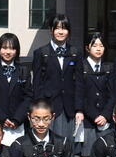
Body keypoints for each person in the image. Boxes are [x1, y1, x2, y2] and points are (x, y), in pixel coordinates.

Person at [32, 14, 84, 143]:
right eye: (57, 28)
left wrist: (79, 109)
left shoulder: (75, 52)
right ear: (51, 30)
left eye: (64, 28)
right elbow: (37, 84)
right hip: (48, 107)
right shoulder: (41, 53)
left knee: (67, 145)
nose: (61, 32)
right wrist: (40, 108)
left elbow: (79, 82)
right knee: (47, 144)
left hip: (69, 109)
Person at [77, 32, 114, 157]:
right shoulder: (81, 67)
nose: (98, 49)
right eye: (95, 45)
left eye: (101, 45)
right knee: (86, 154)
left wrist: (105, 115)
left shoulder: (109, 67)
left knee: (104, 152)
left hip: (105, 117)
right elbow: (80, 94)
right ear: (87, 48)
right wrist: (94, 115)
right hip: (88, 117)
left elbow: (113, 94)